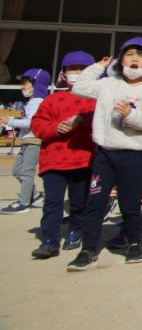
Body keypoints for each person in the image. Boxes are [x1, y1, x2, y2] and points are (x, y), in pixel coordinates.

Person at [66, 38, 142, 271]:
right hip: (105, 155)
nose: (135, 59)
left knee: (129, 205)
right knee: (95, 203)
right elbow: (80, 87)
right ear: (120, 61)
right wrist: (98, 66)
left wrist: (130, 115)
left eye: (140, 55)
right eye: (129, 54)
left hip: (135, 156)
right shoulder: (108, 84)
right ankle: (88, 249)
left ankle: (135, 243)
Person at [28, 51, 96, 258]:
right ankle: (50, 240)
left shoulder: (95, 101)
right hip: (53, 162)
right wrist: (55, 128)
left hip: (83, 160)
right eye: (72, 69)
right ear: (63, 74)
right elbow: (37, 125)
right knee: (53, 202)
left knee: (79, 202)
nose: (77, 73)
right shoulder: (52, 100)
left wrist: (82, 120)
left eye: (83, 70)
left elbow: (103, 124)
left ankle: (76, 231)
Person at [3, 67, 50, 213]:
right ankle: (34, 195)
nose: (22, 86)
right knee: (17, 170)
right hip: (27, 140)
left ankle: (24, 203)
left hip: (34, 141)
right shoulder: (32, 101)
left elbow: (32, 122)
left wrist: (10, 121)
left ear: (37, 84)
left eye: (25, 83)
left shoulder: (37, 101)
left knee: (26, 172)